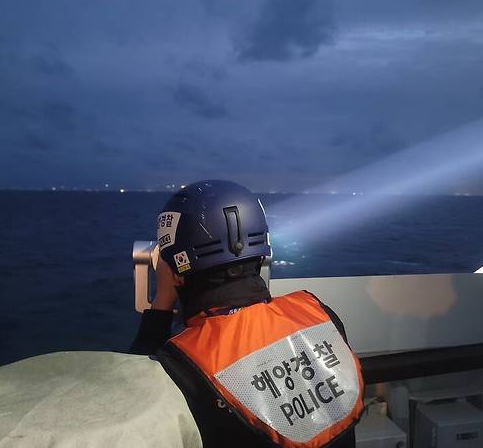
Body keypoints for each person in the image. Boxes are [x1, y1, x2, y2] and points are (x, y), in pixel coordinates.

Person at [130, 180, 364, 448]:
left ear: (176, 273)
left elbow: (135, 401)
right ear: (261, 253)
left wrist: (161, 301)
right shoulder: (319, 313)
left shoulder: (182, 363)